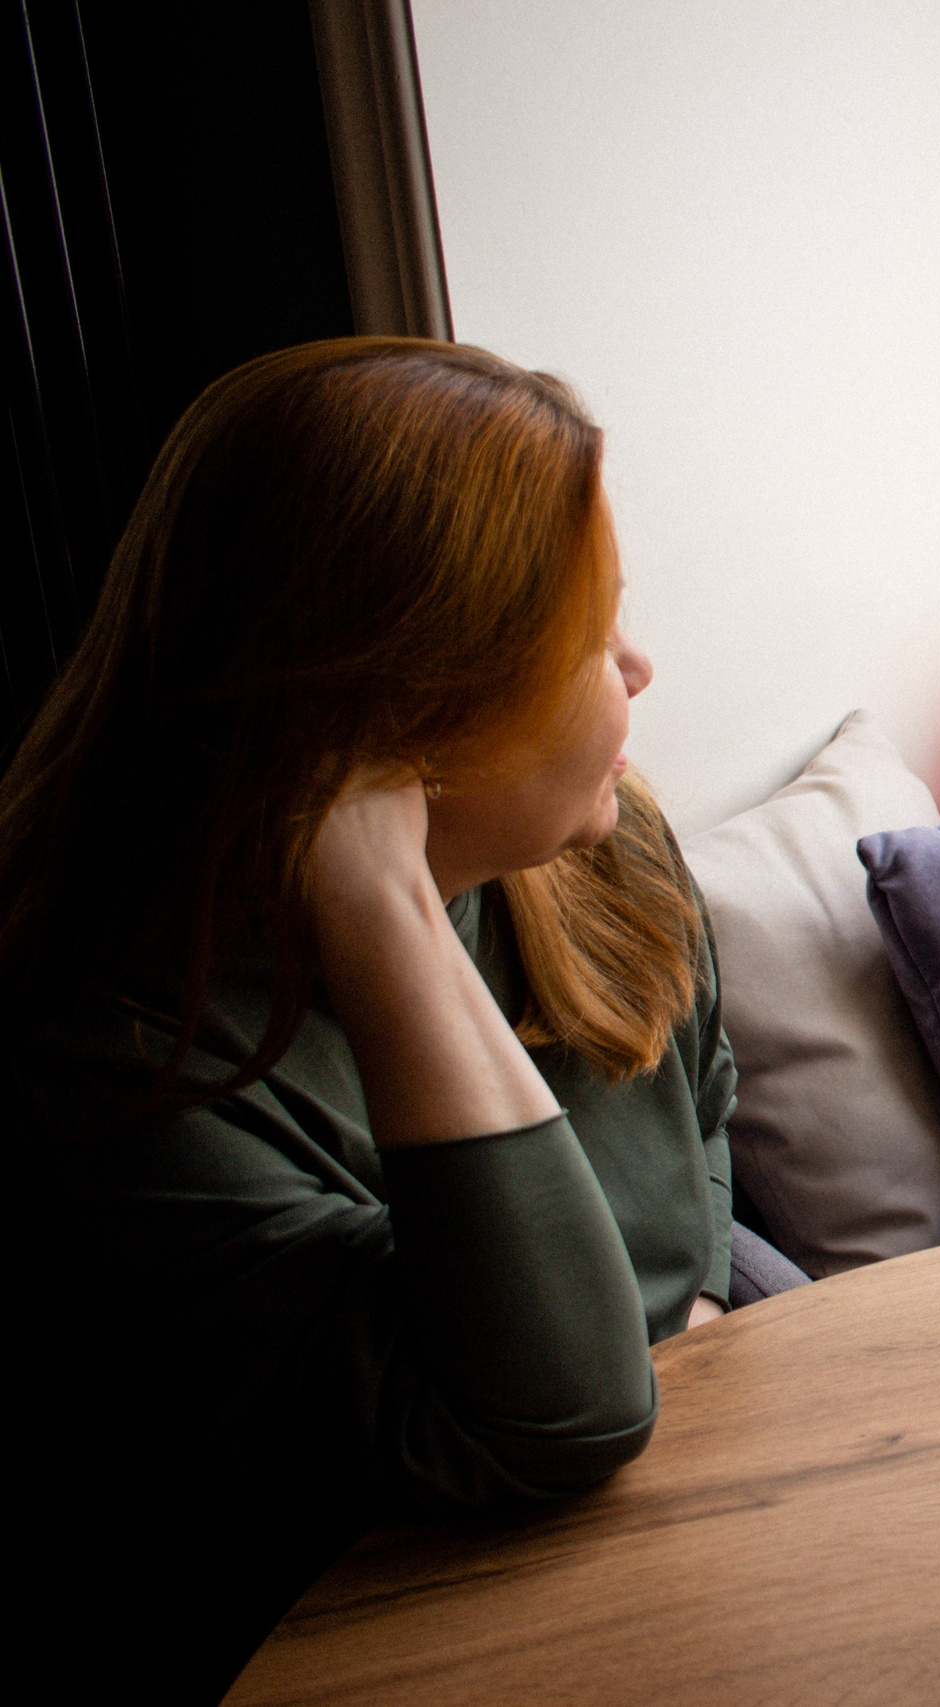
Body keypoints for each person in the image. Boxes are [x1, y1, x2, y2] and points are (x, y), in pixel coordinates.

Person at [1, 339, 739, 1699]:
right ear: (408, 707)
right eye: (580, 640)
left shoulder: (599, 842)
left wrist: (695, 1306)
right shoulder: (114, 1078)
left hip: (664, 1535)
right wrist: (381, 904)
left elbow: (698, 1102)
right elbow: (560, 1408)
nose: (635, 666)